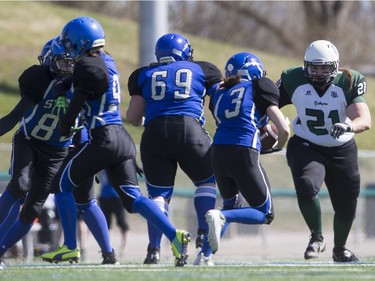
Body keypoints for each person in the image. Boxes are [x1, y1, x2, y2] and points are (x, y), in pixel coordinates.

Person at [40, 17, 190, 267]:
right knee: (133, 199)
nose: (67, 46)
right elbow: (93, 82)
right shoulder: (107, 61)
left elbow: (76, 105)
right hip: (121, 137)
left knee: (63, 185)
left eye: (69, 41)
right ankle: (175, 235)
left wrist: (66, 123)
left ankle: (69, 247)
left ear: (80, 42)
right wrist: (68, 85)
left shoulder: (86, 65)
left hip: (102, 137)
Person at [126, 33, 223, 266]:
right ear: (185, 53)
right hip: (190, 130)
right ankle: (201, 233)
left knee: (158, 196)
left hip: (155, 133)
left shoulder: (142, 74)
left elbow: (132, 117)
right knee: (206, 183)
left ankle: (154, 250)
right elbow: (221, 103)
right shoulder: (203, 69)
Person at [277, 40, 371, 262]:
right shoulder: (293, 79)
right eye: (314, 67)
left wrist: (349, 126)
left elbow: (364, 119)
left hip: (342, 148)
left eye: (325, 67)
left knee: (347, 205)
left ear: (335, 67)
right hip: (307, 144)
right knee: (307, 184)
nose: (319, 73)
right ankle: (316, 237)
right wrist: (270, 123)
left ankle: (340, 249)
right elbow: (268, 103)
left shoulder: (348, 81)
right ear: (305, 66)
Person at [0, 37, 75, 270]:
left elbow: (86, 125)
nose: (69, 68)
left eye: (73, 63)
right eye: (64, 63)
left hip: (58, 151)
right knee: (19, 186)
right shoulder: (41, 81)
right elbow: (13, 117)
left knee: (33, 209)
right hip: (30, 141)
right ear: (51, 62)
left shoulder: (81, 86)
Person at [204, 52, 290, 255]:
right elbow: (284, 130)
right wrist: (279, 144)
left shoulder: (218, 92)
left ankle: (204, 255)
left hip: (217, 153)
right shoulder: (259, 85)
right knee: (265, 213)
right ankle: (222, 217)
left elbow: (237, 119)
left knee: (230, 205)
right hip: (243, 151)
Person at [98, 170, 130, 258]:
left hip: (117, 196)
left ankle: (124, 247)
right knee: (106, 224)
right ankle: (108, 248)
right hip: (104, 196)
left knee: (121, 222)